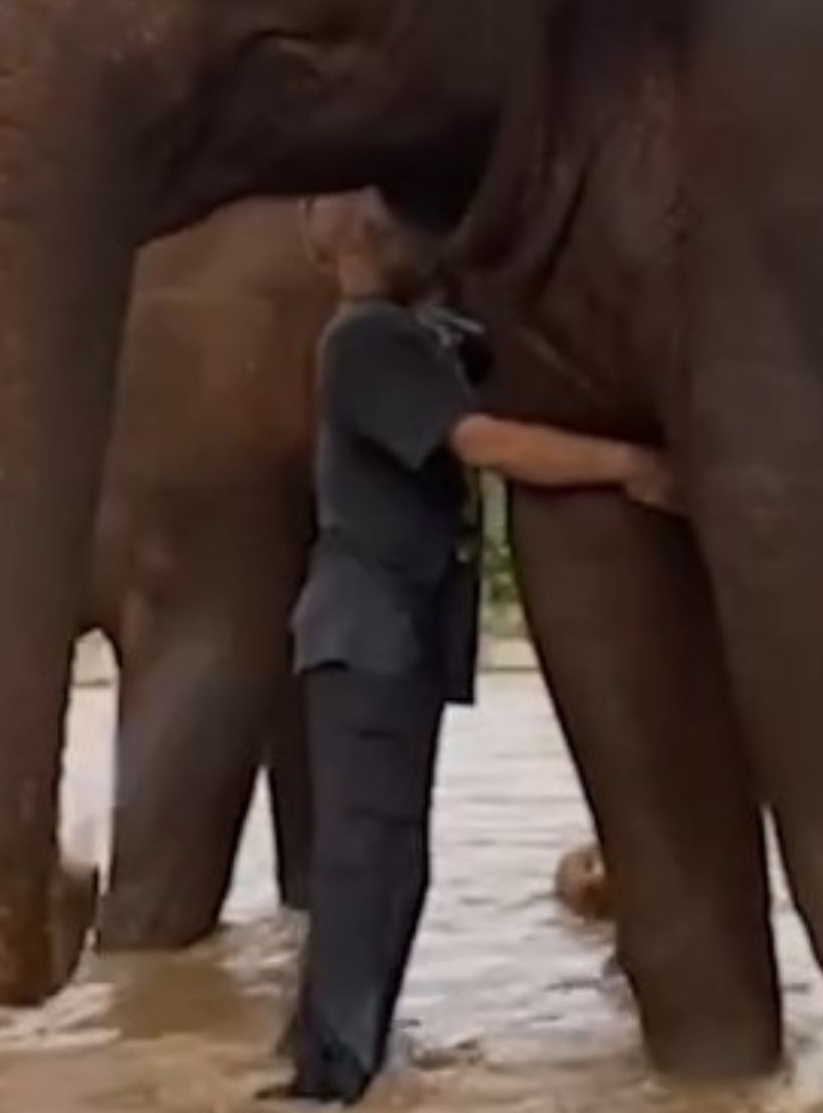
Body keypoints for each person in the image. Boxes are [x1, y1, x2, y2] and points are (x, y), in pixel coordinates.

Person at [265, 192, 675, 1105]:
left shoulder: (425, 334)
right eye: (392, 217)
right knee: (369, 861)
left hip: (395, 640)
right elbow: (482, 440)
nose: (413, 227)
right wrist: (632, 466)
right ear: (351, 242)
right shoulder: (366, 340)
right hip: (367, 636)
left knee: (386, 860)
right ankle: (329, 1082)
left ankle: (338, 1061)